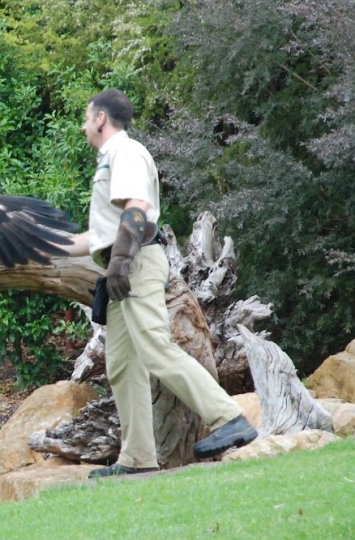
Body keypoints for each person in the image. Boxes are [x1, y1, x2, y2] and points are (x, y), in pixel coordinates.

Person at [57, 89, 258, 478]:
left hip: (135, 263)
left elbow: (137, 209)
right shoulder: (109, 159)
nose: (83, 126)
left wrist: (118, 263)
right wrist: (43, 243)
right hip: (119, 269)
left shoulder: (124, 152)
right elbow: (97, 235)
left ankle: (229, 417)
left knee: (154, 346)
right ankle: (137, 459)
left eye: (86, 118)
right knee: (120, 362)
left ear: (101, 119)